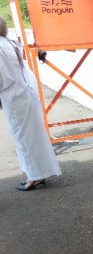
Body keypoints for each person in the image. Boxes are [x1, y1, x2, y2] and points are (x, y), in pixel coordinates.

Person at [0, 16, 61, 191]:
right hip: (25, 92)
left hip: (13, 96)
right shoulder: (10, 43)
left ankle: (34, 176)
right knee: (35, 136)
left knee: (24, 138)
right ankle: (39, 173)